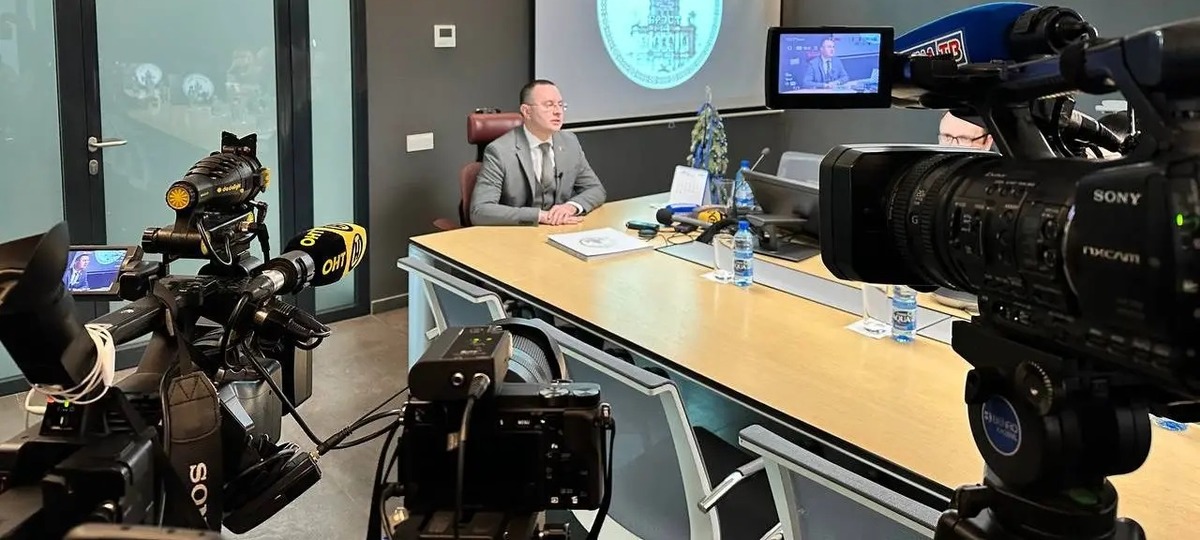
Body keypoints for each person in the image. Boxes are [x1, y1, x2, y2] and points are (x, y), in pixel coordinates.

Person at [470, 79, 606, 226]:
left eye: (560, 105)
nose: (558, 111)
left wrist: (571, 206)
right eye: (549, 105)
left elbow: (595, 189)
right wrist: (539, 216)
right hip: (519, 233)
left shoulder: (569, 142)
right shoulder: (499, 151)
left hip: (561, 229)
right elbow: (480, 210)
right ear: (527, 111)